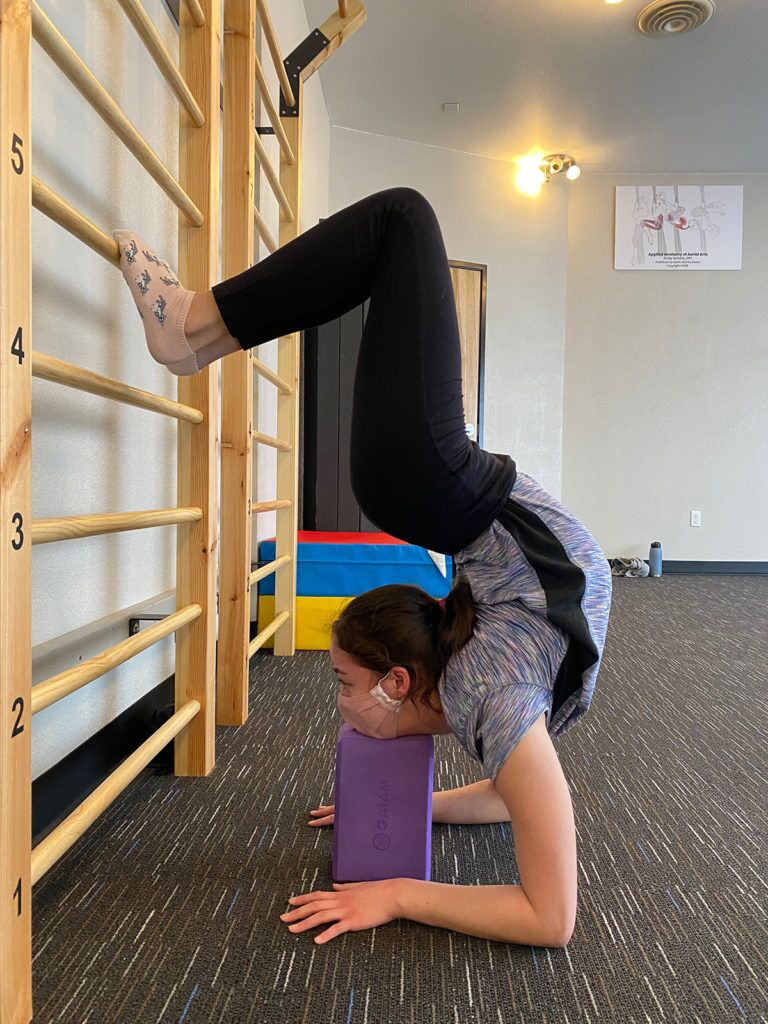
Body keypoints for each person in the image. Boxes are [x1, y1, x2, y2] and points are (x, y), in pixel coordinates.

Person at [115, 187, 612, 949]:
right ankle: (191, 328)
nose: (342, 704)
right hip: (439, 487)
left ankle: (197, 332)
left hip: (446, 500)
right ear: (398, 683)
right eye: (345, 683)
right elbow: (548, 911)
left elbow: (526, 823)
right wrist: (407, 861)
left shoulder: (485, 694)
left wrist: (400, 867)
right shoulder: (491, 695)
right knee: (400, 219)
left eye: (342, 682)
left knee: (397, 234)